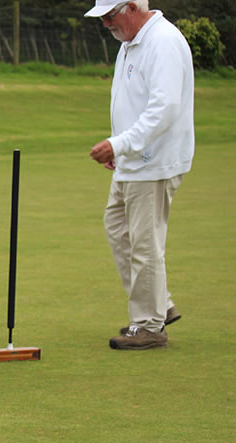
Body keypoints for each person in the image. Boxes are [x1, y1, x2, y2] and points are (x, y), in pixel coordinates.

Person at [85, 0, 194, 349]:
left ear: (131, 8)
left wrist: (120, 144)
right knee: (118, 228)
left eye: (109, 15)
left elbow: (164, 109)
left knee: (145, 243)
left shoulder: (163, 41)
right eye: (101, 17)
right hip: (135, 159)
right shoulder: (130, 43)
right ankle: (158, 303)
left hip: (154, 161)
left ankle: (149, 325)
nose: (105, 23)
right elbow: (131, 101)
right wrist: (122, 147)